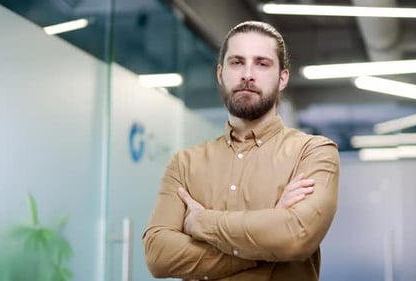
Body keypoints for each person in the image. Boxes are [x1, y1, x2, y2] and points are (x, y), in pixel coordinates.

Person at [142, 20, 339, 281]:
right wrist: (268, 236)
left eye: (262, 63)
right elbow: (158, 256)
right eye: (237, 62)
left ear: (282, 78)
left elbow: (295, 238)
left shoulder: (313, 152)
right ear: (220, 73)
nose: (248, 74)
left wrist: (199, 222)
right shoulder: (185, 163)